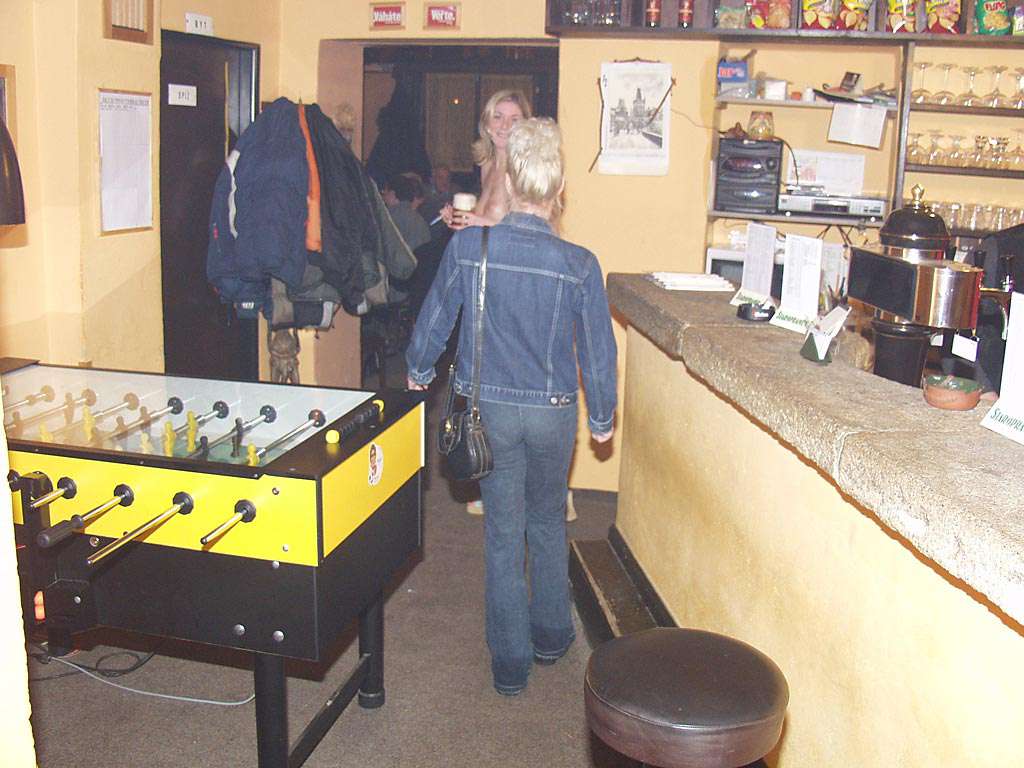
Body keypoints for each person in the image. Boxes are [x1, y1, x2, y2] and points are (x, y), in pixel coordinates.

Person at [405, 118, 618, 696]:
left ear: (510, 181)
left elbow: (435, 317)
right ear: (559, 188)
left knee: (503, 533)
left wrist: (418, 369)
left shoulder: (469, 247)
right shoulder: (579, 263)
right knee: (547, 522)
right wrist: (602, 418)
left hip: (489, 412)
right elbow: (598, 352)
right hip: (553, 411)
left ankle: (509, 664)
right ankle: (551, 636)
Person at [441, 90, 532, 230]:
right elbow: (486, 218)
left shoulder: (524, 169)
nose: (505, 125)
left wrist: (476, 221)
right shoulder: (487, 164)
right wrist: (458, 218)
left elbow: (526, 230)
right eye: (498, 117)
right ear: (487, 125)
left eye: (514, 120)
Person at [383, 172, 431, 253]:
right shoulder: (419, 220)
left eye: (385, 193)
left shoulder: (388, 218)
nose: (384, 198)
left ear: (392, 194)